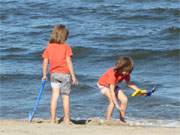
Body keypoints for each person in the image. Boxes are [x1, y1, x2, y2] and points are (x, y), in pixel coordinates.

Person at [42, 24, 78, 124]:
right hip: (65, 75)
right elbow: (69, 62)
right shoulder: (66, 47)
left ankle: (53, 119)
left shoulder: (49, 47)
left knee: (54, 96)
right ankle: (67, 119)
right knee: (65, 97)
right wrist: (73, 76)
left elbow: (45, 62)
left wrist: (44, 74)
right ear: (64, 36)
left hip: (54, 74)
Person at [97, 56, 146, 123]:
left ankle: (122, 120)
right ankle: (108, 120)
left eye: (129, 71)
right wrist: (116, 104)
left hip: (114, 85)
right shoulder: (113, 74)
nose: (127, 73)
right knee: (112, 102)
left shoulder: (126, 73)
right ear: (120, 68)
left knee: (124, 100)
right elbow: (112, 91)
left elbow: (129, 83)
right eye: (125, 71)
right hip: (104, 85)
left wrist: (139, 91)